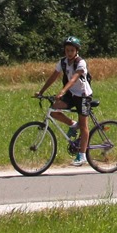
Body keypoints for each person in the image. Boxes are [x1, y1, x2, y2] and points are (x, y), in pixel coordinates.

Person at [38, 35, 92, 165]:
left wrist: (62, 91)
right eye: (67, 50)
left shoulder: (80, 63)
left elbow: (73, 79)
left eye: (72, 50)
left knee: (84, 125)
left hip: (83, 95)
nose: (69, 53)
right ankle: (73, 124)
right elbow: (53, 77)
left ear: (76, 51)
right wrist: (41, 91)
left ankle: (82, 155)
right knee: (53, 110)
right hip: (72, 94)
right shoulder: (62, 62)